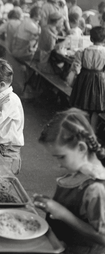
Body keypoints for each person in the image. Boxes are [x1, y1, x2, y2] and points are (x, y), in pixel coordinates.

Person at [34, 108, 105, 254]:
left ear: (81, 148)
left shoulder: (95, 188)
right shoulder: (79, 172)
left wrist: (63, 214)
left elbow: (103, 237)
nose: (58, 164)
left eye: (61, 157)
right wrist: (51, 205)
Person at [67, 26, 105, 132]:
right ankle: (92, 131)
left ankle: (81, 129)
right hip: (99, 81)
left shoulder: (82, 52)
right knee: (95, 109)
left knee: (83, 105)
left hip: (84, 80)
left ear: (91, 39)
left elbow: (77, 69)